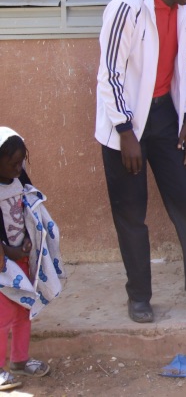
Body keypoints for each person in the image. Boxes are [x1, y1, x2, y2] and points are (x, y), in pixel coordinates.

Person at [95, 0, 186, 322]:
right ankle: (139, 297)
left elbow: (183, 63)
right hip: (127, 125)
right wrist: (125, 132)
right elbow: (110, 75)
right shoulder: (127, 9)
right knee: (132, 213)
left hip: (166, 117)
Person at [0, 129, 63, 388]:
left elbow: (28, 213)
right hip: (3, 265)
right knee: (2, 317)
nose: (18, 168)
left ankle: (20, 361)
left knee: (24, 311)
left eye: (21, 162)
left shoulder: (19, 181)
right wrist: (8, 253)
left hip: (22, 260)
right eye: (12, 163)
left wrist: (29, 241)